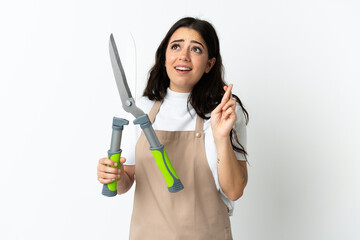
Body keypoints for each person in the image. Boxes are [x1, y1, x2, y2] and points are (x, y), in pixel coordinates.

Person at [97, 17, 249, 239]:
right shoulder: (140, 109)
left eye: (196, 49)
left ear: (209, 64)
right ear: (164, 57)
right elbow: (126, 181)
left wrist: (221, 137)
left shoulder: (224, 113)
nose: (183, 56)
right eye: (176, 46)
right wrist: (114, 175)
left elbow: (234, 191)